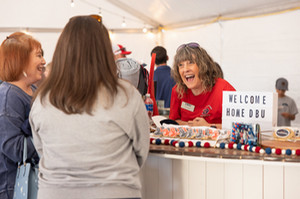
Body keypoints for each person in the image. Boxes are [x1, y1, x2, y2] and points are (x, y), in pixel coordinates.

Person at [29, 15, 150, 199]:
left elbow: (42, 150)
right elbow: (141, 151)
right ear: (104, 50)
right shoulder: (127, 95)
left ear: (62, 50)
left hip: (55, 192)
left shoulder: (42, 99)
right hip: (116, 192)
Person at [0, 32, 44, 199]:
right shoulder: (8, 96)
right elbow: (13, 148)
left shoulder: (32, 90)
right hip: (15, 188)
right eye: (38, 55)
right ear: (21, 59)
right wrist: (48, 138)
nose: (43, 61)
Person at [169, 42, 236, 128]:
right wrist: (193, 126)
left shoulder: (224, 89)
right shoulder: (178, 90)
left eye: (191, 63)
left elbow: (238, 126)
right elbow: (173, 122)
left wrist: (208, 126)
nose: (185, 69)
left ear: (203, 65)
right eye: (181, 65)